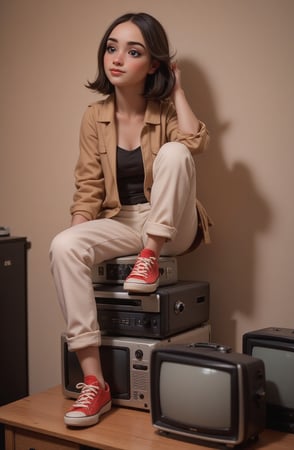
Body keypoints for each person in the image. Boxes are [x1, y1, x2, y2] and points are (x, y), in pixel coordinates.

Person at [49, 11, 211, 428]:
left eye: (133, 51)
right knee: (63, 245)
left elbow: (195, 141)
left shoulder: (165, 109)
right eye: (111, 47)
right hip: (122, 220)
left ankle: (150, 256)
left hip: (172, 224)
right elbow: (87, 189)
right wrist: (78, 237)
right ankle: (94, 383)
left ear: (152, 64)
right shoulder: (93, 116)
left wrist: (176, 90)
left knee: (175, 152)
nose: (117, 58)